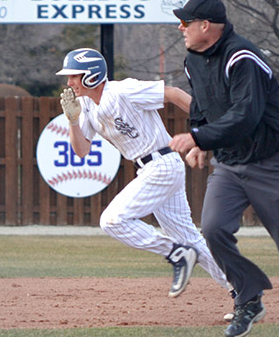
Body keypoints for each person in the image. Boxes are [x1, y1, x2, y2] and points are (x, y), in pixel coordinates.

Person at [167, 0, 279, 337]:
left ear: (206, 27)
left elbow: (246, 116)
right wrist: (201, 142)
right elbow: (201, 108)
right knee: (212, 230)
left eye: (186, 23)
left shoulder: (243, 57)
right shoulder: (192, 60)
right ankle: (249, 296)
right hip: (229, 164)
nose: (180, 28)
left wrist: (197, 137)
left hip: (270, 163)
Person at [56, 48, 233, 303]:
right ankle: (242, 290)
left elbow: (173, 94)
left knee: (112, 220)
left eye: (74, 76)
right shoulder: (84, 105)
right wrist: (72, 121)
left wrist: (206, 130)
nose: (69, 82)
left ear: (91, 75)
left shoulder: (122, 90)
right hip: (153, 167)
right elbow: (81, 151)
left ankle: (176, 253)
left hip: (162, 163)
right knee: (190, 239)